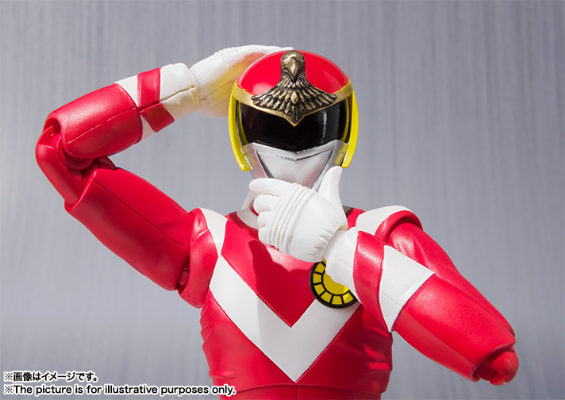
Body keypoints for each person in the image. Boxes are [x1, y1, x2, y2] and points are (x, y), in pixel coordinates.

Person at [36, 45, 518, 399]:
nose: (293, 147)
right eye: (270, 127)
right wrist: (182, 89)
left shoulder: (380, 235)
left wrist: (341, 249)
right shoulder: (208, 244)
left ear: (341, 130)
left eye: (312, 128)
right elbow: (61, 152)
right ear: (242, 133)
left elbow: (495, 356)